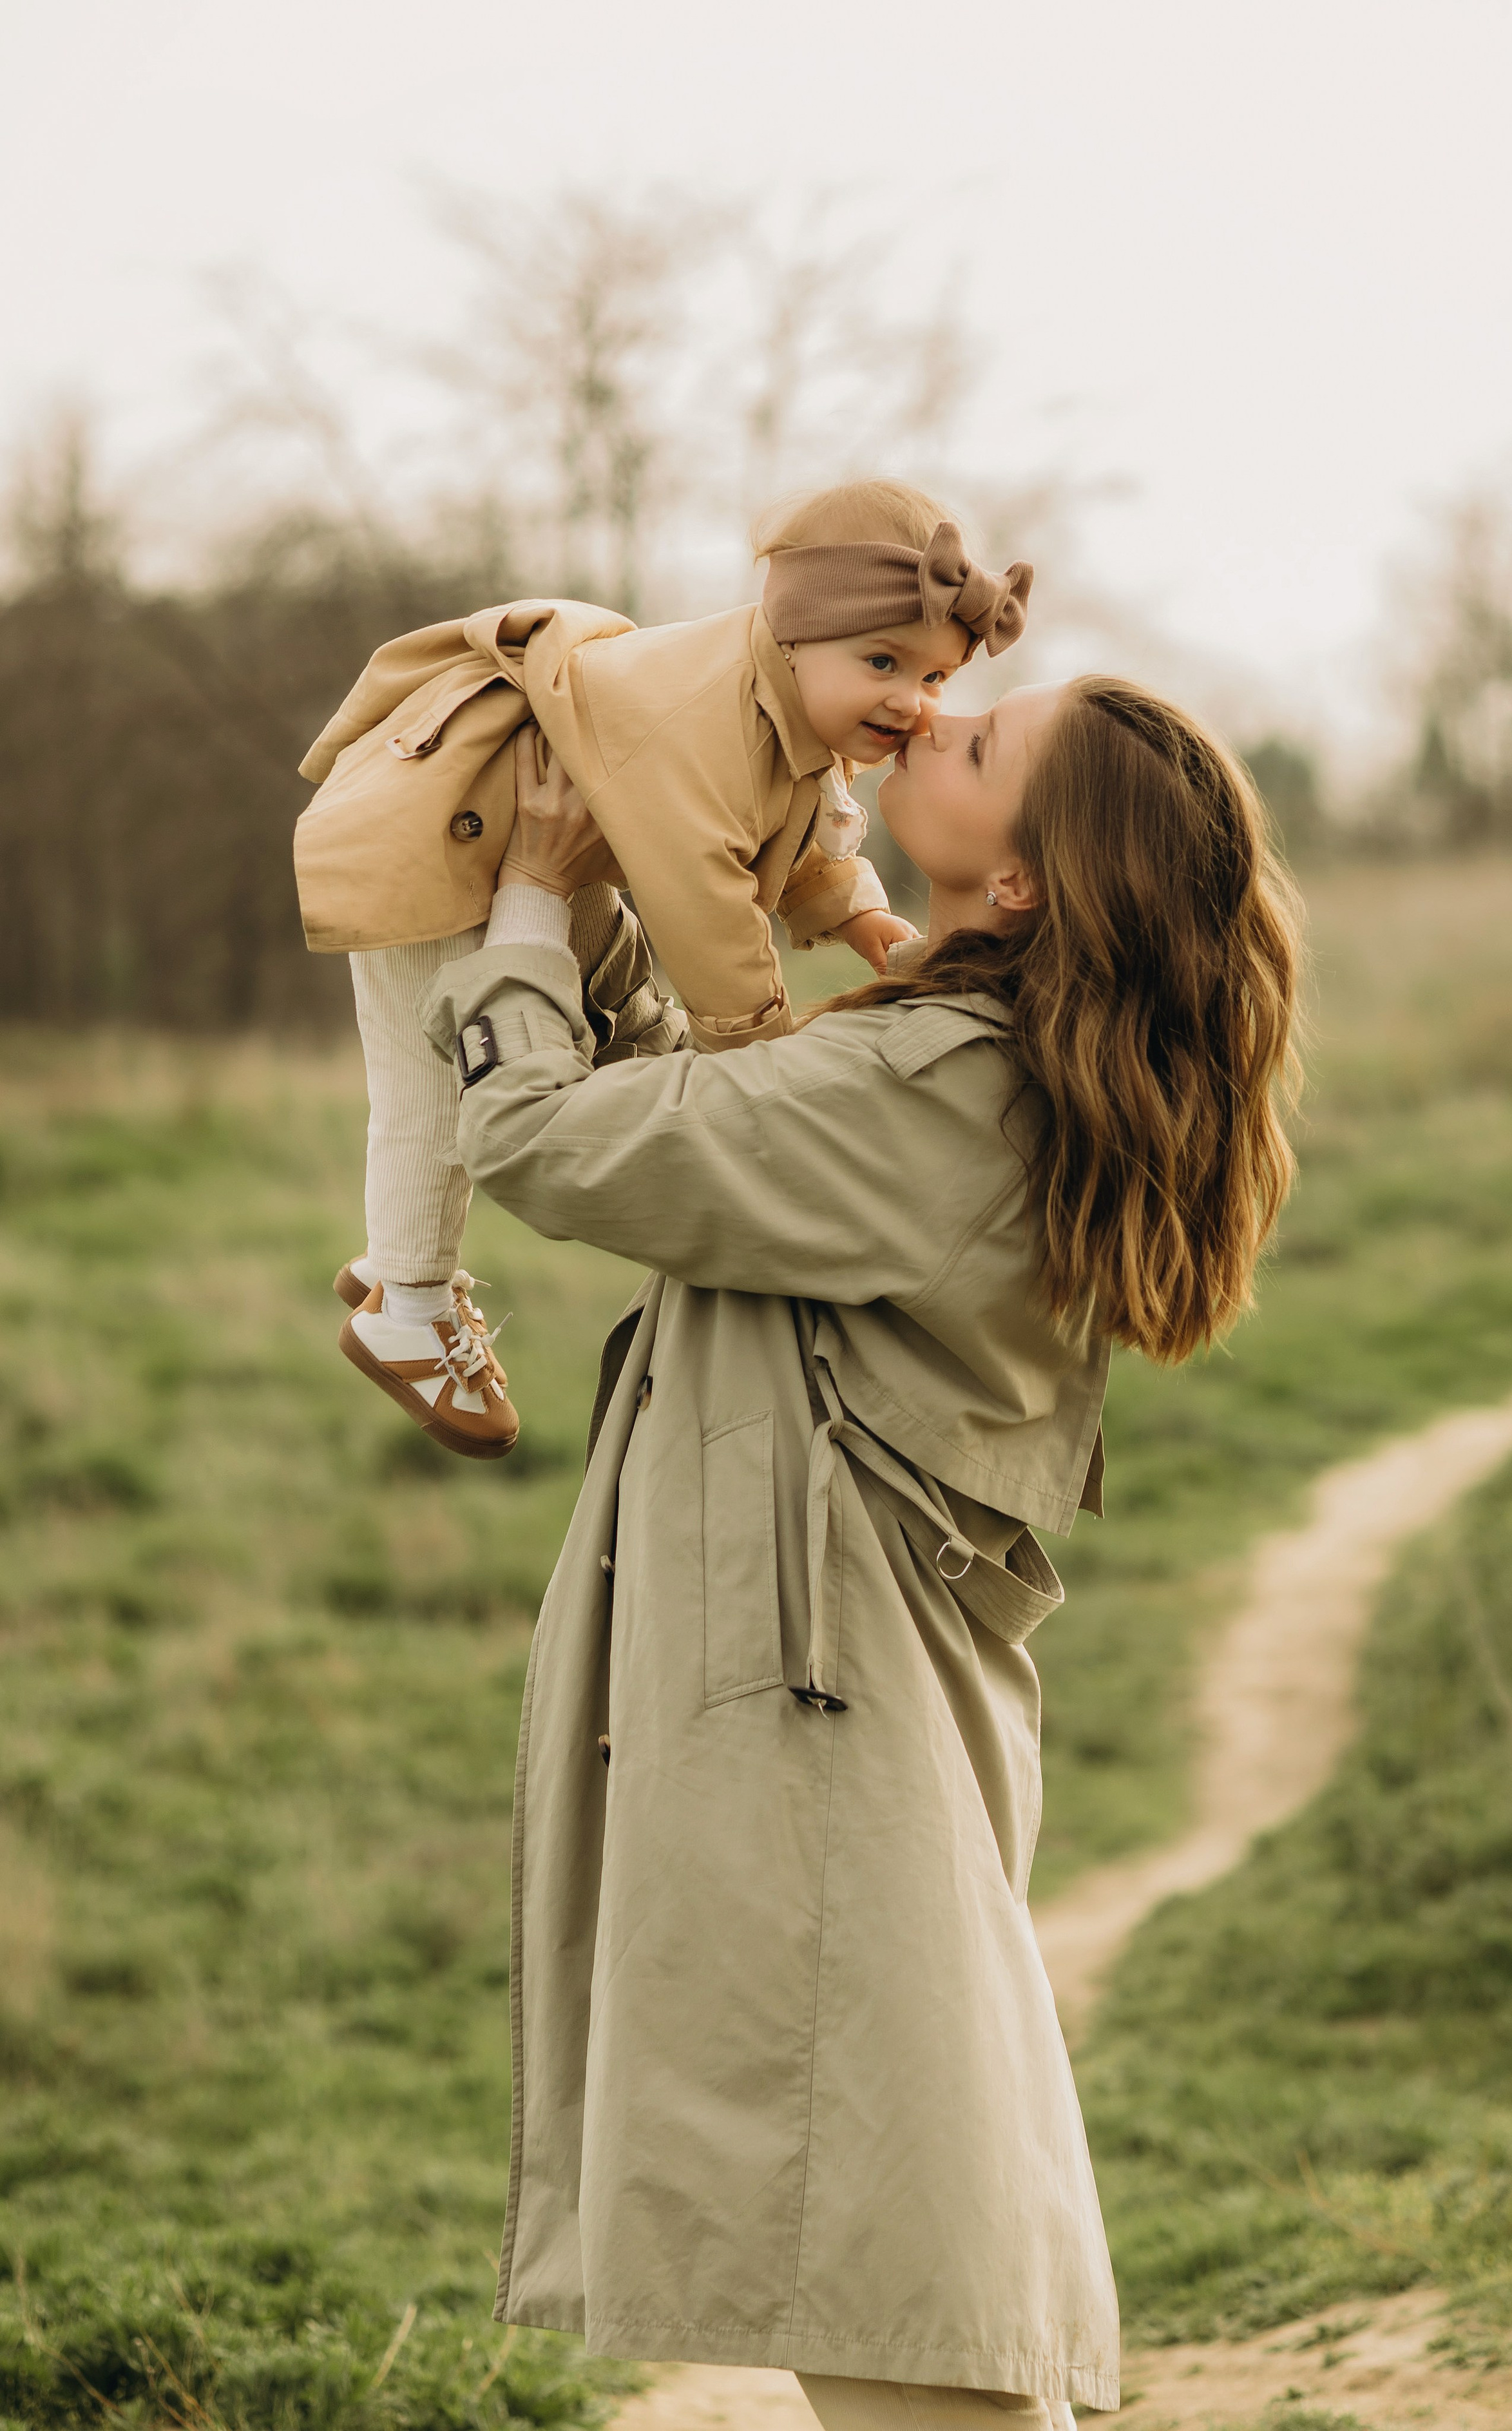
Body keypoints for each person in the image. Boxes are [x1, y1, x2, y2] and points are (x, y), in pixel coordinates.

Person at [418, 670, 1302, 2427]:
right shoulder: (957, 1065)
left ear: (1031, 883)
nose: (931, 725)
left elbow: (543, 1137)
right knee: (903, 2245)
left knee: (905, 2276)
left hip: (823, 1731)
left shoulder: (942, 1086)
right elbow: (705, 1130)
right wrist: (631, 865)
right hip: (844, 1700)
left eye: (978, 746)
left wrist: (530, 894)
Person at [292, 481, 1032, 1459]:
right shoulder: (707, 720)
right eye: (885, 662)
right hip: (440, 823)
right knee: (430, 1092)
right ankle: (411, 1300)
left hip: (524, 830)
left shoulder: (794, 710)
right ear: (796, 634)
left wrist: (852, 911)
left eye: (936, 678)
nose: (914, 704)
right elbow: (702, 900)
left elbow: (793, 827)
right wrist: (755, 1049)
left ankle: (401, 1265)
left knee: (575, 1017)